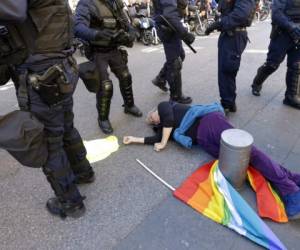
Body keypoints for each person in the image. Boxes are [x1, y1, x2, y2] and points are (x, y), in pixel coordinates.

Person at [123, 101, 300, 219]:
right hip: (205, 139)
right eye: (152, 123)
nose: (153, 120)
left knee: (249, 153)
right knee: (244, 161)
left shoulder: (164, 106)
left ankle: (290, 190)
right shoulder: (166, 128)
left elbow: (167, 122)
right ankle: (291, 178)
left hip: (208, 123)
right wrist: (134, 139)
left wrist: (163, 142)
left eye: (151, 117)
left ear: (155, 110)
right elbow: (157, 137)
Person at [0, 0, 95, 218]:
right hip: (60, 68)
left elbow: (13, 10)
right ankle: (83, 172)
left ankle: (70, 202)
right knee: (66, 128)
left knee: (50, 142)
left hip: (40, 75)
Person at [74, 0, 143, 135]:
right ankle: (103, 118)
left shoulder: (115, 3)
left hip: (113, 48)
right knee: (105, 85)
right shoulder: (87, 3)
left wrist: (131, 33)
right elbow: (77, 26)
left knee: (125, 76)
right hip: (97, 50)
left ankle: (129, 106)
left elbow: (125, 22)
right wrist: (96, 34)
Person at [205, 0, 256, 113]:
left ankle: (227, 104)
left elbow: (241, 14)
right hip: (228, 35)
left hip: (234, 36)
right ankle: (229, 102)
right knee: (224, 71)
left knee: (227, 70)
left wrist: (218, 24)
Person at [251, 0, 300, 110]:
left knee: (296, 66)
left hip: (298, 35)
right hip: (282, 35)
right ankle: (257, 82)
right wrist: (292, 27)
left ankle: (291, 97)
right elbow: (276, 14)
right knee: (272, 64)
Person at [151, 0, 196, 104]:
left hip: (171, 26)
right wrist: (185, 34)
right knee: (175, 62)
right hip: (168, 27)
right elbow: (169, 14)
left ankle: (160, 78)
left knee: (180, 55)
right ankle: (176, 96)